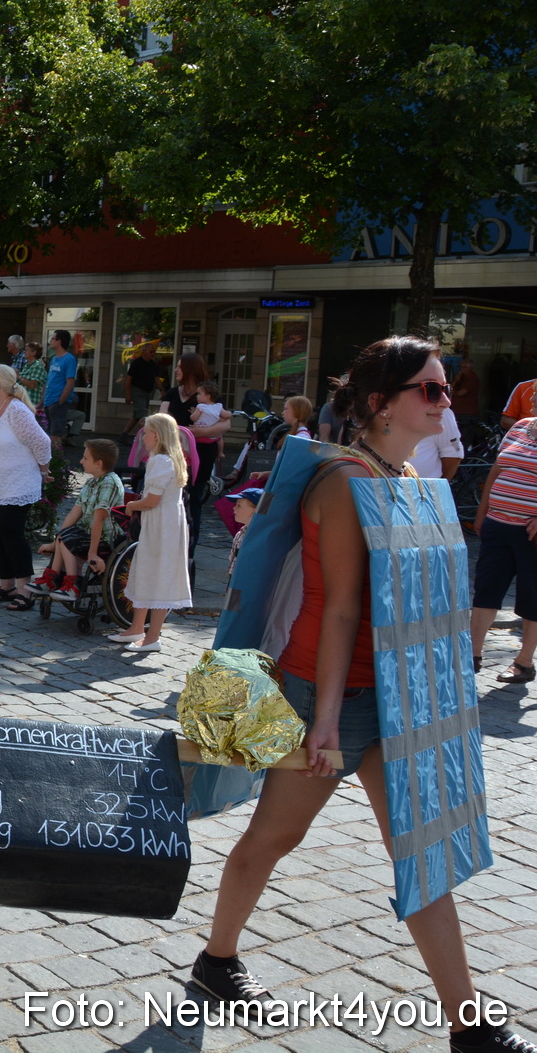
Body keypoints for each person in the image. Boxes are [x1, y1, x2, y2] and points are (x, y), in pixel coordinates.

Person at [191, 338, 536, 1053]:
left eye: (447, 388)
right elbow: (342, 606)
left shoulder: (404, 474)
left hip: (399, 693)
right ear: (381, 403)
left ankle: (469, 1026)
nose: (446, 402)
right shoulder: (346, 480)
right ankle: (216, 961)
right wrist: (323, 723)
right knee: (275, 836)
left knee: (424, 853)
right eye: (431, 390)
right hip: (332, 692)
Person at [109, 412, 191, 651]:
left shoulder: (161, 461)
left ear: (156, 435)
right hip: (166, 524)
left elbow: (152, 500)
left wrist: (132, 506)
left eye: (145, 433)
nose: (143, 437)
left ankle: (152, 637)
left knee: (157, 576)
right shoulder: (169, 459)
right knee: (148, 572)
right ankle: (137, 628)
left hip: (161, 526)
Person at [470, 412, 537, 684]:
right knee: (486, 587)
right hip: (497, 524)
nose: (533, 399)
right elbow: (497, 469)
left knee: (532, 595)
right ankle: (472, 654)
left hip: (531, 533)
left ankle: (524, 662)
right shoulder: (521, 426)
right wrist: (482, 512)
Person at [0, 363, 51, 609]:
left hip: (19, 482)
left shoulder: (16, 410)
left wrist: (44, 470)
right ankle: (7, 585)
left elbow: (42, 442)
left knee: (11, 532)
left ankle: (25, 591)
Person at [32, 438, 125, 601]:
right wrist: (54, 543)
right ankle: (51, 579)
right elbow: (73, 514)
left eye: (85, 458)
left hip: (106, 538)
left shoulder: (109, 483)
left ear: (99, 463)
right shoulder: (90, 483)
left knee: (68, 540)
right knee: (63, 535)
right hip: (89, 532)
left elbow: (99, 519)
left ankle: (73, 584)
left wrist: (92, 553)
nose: (81, 461)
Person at [160, 353, 227, 548]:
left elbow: (226, 424)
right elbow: (161, 416)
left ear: (190, 369)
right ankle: (169, 543)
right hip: (174, 451)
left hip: (202, 452)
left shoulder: (209, 395)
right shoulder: (172, 393)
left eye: (179, 366)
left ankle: (190, 547)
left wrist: (201, 432)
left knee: (195, 496)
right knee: (170, 495)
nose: (175, 369)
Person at [122, 341, 166, 436]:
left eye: (154, 352)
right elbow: (128, 379)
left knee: (137, 415)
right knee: (143, 417)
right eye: (151, 352)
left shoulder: (153, 364)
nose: (153, 354)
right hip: (137, 392)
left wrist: (161, 390)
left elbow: (156, 378)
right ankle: (143, 438)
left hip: (147, 393)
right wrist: (128, 395)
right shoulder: (137, 363)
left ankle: (123, 435)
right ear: (144, 351)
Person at [42, 329, 79, 439]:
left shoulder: (69, 359)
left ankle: (57, 451)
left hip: (57, 403)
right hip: (48, 401)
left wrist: (60, 402)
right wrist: (43, 401)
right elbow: (50, 381)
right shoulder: (53, 359)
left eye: (53, 338)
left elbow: (70, 383)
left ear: (60, 341)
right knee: (48, 435)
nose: (50, 341)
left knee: (56, 435)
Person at [411, 404, 464, 481]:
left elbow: (453, 453)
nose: (447, 402)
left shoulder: (440, 412)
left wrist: (440, 485)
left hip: (425, 486)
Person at [224, 485, 263, 580]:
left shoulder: (259, 537)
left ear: (253, 512)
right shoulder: (241, 532)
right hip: (234, 578)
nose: (234, 508)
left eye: (239, 506)